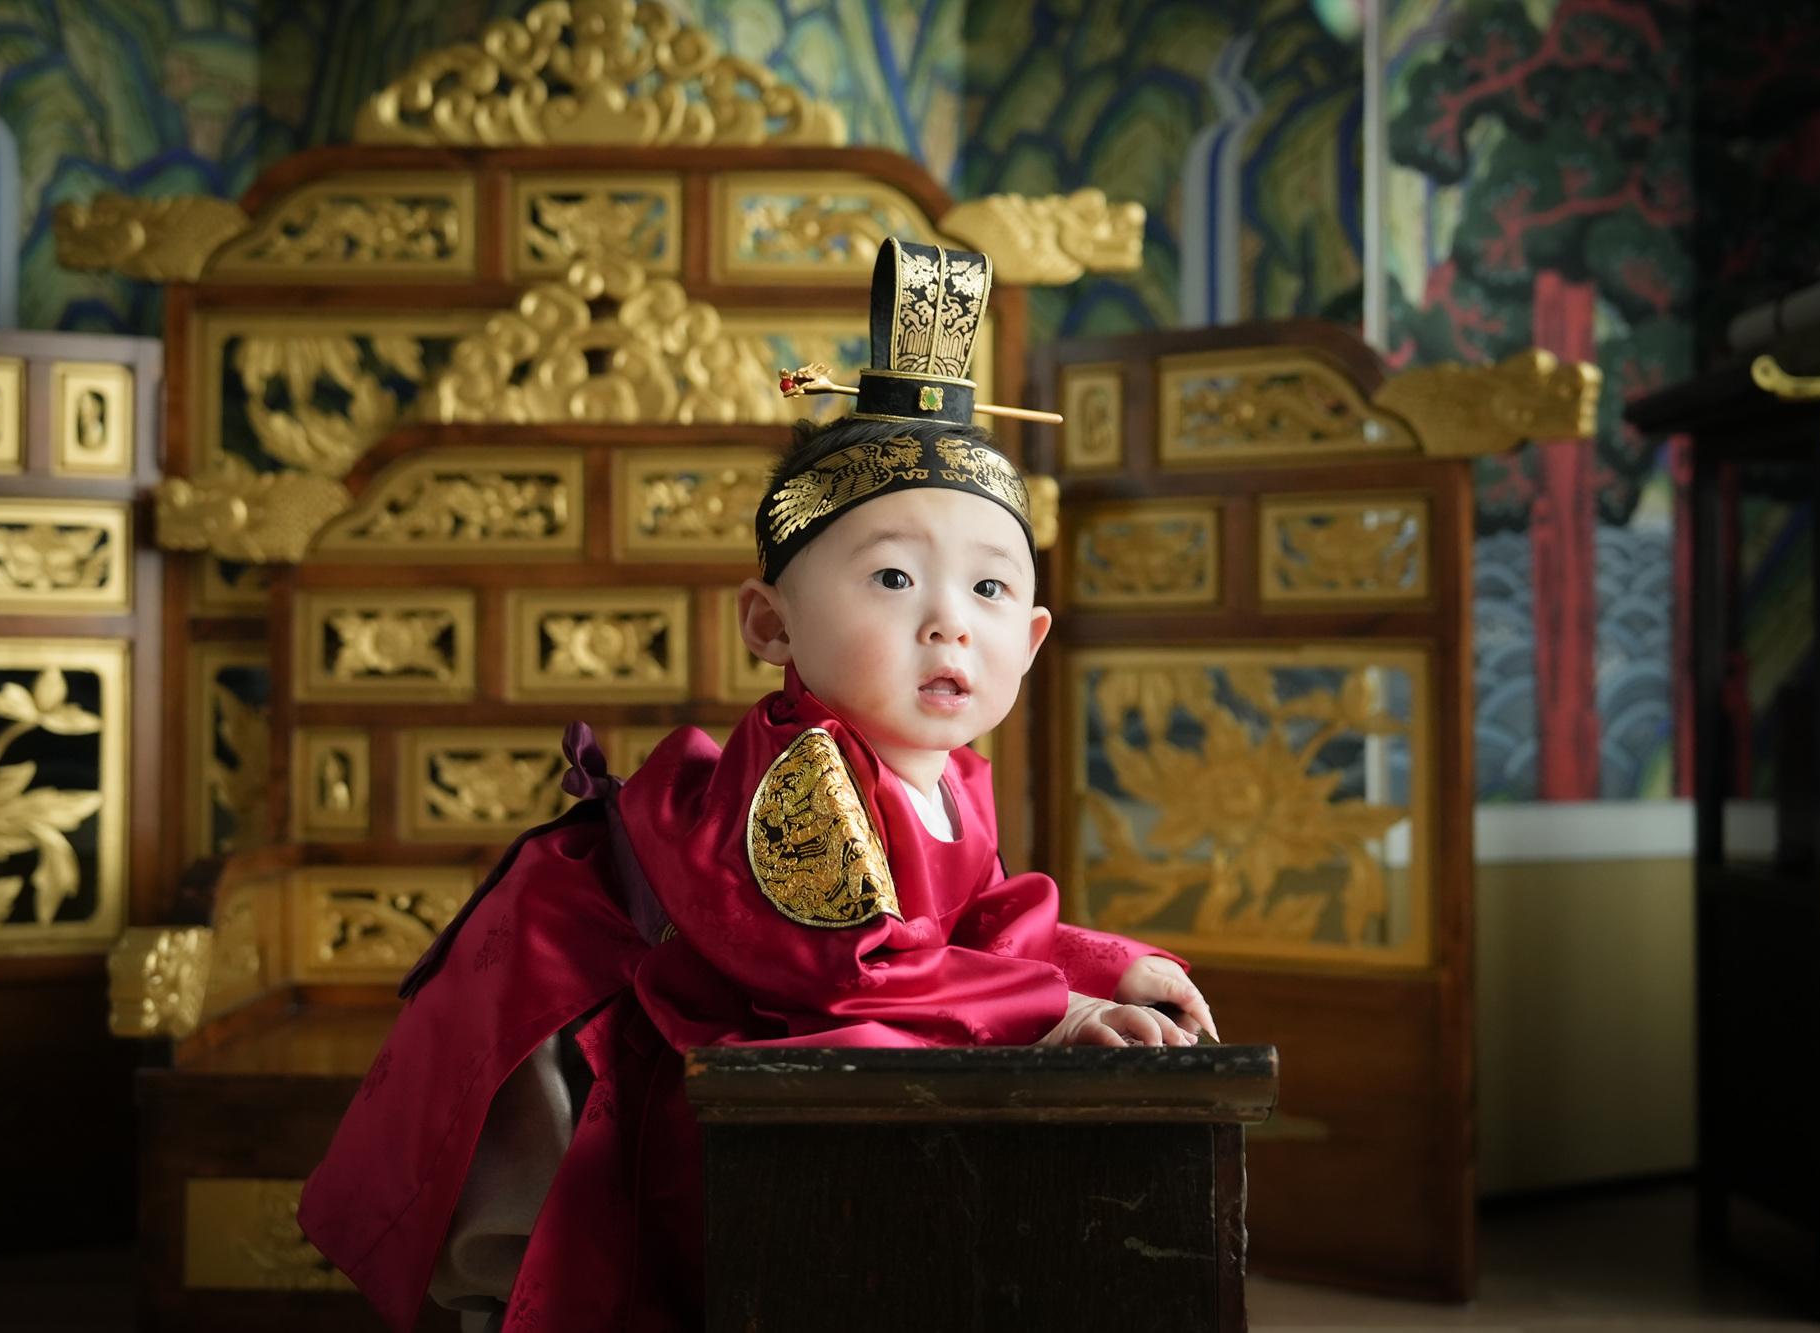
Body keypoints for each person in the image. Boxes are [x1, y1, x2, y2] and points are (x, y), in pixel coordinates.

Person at [297, 239, 1218, 1333]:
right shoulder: (804, 773)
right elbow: (858, 972)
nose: (945, 619)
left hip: (814, 992)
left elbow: (970, 922)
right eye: (891, 576)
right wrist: (1059, 1012)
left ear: (1026, 640)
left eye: (984, 587)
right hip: (654, 1023)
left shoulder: (943, 775)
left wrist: (1115, 963)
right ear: (769, 622)